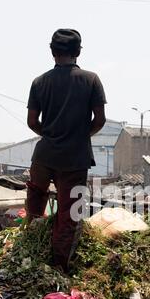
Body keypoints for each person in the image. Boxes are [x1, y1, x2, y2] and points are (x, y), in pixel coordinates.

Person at [26, 28, 106, 272]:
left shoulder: (39, 82)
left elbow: (32, 122)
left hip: (44, 155)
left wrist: (52, 135)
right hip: (75, 159)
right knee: (69, 216)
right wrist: (78, 137)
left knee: (35, 206)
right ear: (78, 52)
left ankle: (29, 253)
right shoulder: (91, 79)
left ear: (52, 52)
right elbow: (100, 120)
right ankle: (59, 267)